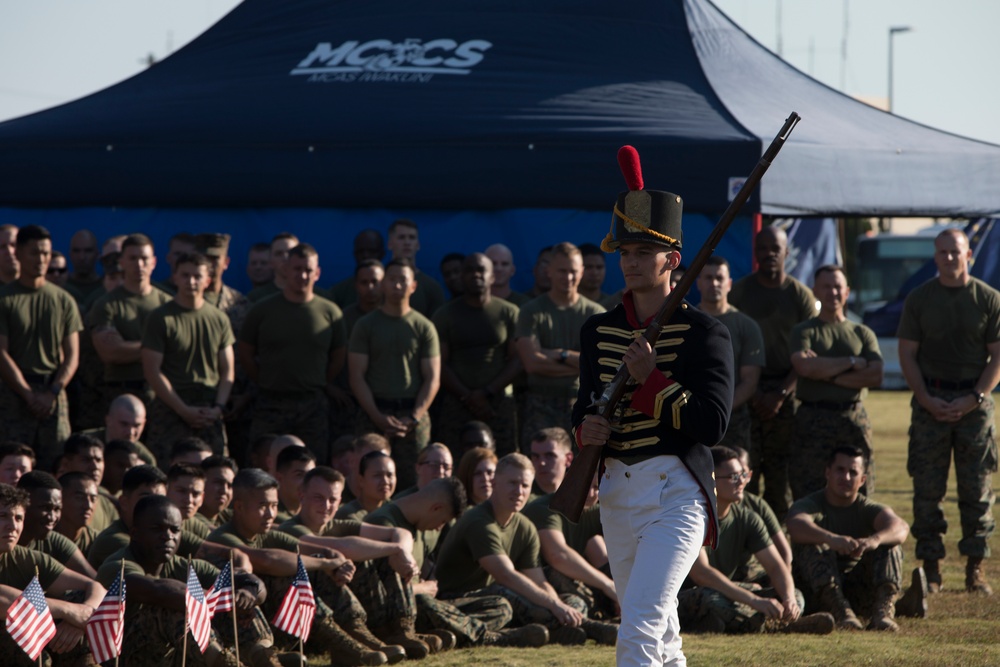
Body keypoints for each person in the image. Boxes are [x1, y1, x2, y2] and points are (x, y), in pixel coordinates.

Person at [574, 162, 733, 666]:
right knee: (660, 630)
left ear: (673, 260)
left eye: (645, 252)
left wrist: (652, 383)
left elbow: (713, 425)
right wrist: (585, 429)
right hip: (618, 491)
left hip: (676, 492)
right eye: (626, 252)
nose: (631, 262)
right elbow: (582, 406)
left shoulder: (708, 333)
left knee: (640, 620)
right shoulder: (597, 331)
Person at [205, 468, 399, 666]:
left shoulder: (263, 533)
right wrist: (325, 563)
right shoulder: (223, 538)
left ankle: (355, 638)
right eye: (262, 506)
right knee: (288, 576)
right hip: (237, 629)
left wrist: (337, 564)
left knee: (315, 567)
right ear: (239, 507)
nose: (271, 513)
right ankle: (342, 646)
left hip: (271, 621)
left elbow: (323, 551)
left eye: (274, 505)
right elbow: (269, 560)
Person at [897, 227, 1000, 596]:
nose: (949, 258)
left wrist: (974, 397)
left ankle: (976, 568)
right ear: (935, 256)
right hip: (931, 404)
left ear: (968, 254)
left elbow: (997, 356)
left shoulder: (988, 299)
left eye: (955, 252)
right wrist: (925, 398)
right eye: (942, 252)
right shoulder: (920, 299)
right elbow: (907, 352)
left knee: (977, 490)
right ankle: (932, 568)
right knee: (928, 491)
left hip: (974, 405)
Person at [95, 494, 285, 667]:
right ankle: (223, 662)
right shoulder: (118, 566)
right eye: (157, 529)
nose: (167, 536)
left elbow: (250, 583)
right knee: (176, 605)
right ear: (135, 533)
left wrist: (248, 593)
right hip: (126, 656)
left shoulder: (185, 565)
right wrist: (225, 598)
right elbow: (159, 590)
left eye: (174, 530)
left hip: (175, 654)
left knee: (243, 601)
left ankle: (263, 656)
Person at [435, 453, 589, 645]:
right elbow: (505, 575)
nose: (519, 491)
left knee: (572, 600)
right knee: (503, 602)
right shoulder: (479, 521)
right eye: (512, 483)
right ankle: (584, 627)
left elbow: (538, 580)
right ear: (495, 483)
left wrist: (560, 605)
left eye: (525, 486)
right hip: (457, 600)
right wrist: (555, 607)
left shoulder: (525, 527)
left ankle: (564, 626)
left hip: (493, 596)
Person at [677, 447, 833, 636]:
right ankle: (774, 625)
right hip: (692, 593)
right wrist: (753, 600)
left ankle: (746, 622)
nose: (742, 481)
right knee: (710, 599)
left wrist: (788, 599)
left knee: (795, 595)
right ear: (712, 481)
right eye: (733, 476)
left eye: (743, 474)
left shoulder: (747, 518)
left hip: (730, 591)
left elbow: (776, 567)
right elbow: (702, 574)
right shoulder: (693, 517)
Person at [786, 446, 928, 631]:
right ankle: (841, 612)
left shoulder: (866, 507)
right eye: (840, 470)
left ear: (862, 480)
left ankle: (883, 614)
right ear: (827, 472)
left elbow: (900, 527)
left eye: (852, 472)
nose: (845, 477)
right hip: (815, 592)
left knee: (890, 545)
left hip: (856, 590)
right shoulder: (811, 504)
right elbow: (795, 524)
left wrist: (874, 540)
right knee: (812, 545)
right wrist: (830, 539)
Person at [729, 225, 817, 520]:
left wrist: (780, 393)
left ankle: (779, 551)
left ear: (786, 253)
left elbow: (809, 352)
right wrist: (751, 391)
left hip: (785, 393)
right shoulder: (740, 293)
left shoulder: (800, 296)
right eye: (762, 248)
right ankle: (745, 551)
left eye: (775, 249)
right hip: (745, 394)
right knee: (744, 474)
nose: (768, 254)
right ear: (755, 253)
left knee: (781, 480)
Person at [240, 243, 346, 461]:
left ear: (317, 273)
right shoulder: (262, 309)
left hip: (312, 404)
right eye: (297, 269)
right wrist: (263, 380)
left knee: (312, 465)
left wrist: (320, 381)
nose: (302, 275)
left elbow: (338, 356)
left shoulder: (330, 312)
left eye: (308, 270)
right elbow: (245, 352)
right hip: (270, 401)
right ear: (285, 270)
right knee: (263, 463)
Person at [789, 265, 883, 499]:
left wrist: (824, 371)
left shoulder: (862, 333)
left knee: (858, 491)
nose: (833, 292)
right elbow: (804, 366)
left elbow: (875, 375)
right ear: (815, 291)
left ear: (847, 291)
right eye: (826, 287)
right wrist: (852, 361)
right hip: (812, 420)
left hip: (853, 419)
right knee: (808, 490)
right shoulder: (804, 331)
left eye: (838, 286)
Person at [349, 257, 441, 490]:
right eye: (391, 279)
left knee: (416, 480)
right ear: (383, 284)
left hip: (412, 416)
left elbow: (432, 378)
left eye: (403, 280)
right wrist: (377, 416)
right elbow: (356, 376)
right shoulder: (366, 325)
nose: (397, 285)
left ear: (413, 286)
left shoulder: (424, 327)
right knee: (369, 479)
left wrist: (414, 417)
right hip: (374, 413)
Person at [0, 225, 83, 471]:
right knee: (12, 465)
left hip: (53, 394)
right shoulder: (5, 299)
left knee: (57, 465)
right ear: (19, 253)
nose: (41, 259)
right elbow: (1, 354)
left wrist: (52, 392)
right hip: (13, 395)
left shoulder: (63, 300)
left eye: (46, 253)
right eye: (34, 253)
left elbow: (72, 356)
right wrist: (27, 394)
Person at [142, 252, 235, 461]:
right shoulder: (160, 318)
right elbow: (152, 370)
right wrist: (182, 409)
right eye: (185, 275)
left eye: (197, 276)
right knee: (167, 473)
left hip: (209, 409)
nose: (191, 282)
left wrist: (218, 408)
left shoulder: (219, 319)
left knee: (215, 473)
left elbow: (228, 370)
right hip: (172, 407)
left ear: (208, 280)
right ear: (175, 277)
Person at [0, 483, 106, 667]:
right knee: (19, 624)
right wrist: (70, 611)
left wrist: (82, 616)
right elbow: (8, 602)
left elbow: (96, 587)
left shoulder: (23, 557)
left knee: (80, 598)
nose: (12, 526)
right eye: (2, 516)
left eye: (18, 518)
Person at [432, 253, 521, 455]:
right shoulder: (445, 314)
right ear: (462, 277)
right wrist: (468, 397)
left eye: (481, 270)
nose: (475, 275)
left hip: (498, 402)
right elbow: (439, 363)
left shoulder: (509, 312)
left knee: (505, 459)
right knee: (455, 462)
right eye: (469, 270)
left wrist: (487, 392)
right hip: (457, 402)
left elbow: (517, 360)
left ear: (492, 276)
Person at [516, 241, 604, 444]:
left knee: (581, 470)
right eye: (562, 271)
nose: (568, 277)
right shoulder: (531, 311)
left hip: (581, 403)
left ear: (581, 272)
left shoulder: (595, 314)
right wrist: (580, 364)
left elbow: (597, 366)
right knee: (539, 467)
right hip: (540, 402)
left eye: (573, 271)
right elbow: (531, 363)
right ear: (549, 272)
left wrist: (559, 354)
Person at [90, 233, 172, 408]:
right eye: (133, 258)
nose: (139, 265)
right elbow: (110, 353)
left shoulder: (168, 304)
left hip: (162, 392)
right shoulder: (106, 304)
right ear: (122, 262)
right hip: (121, 390)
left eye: (144, 258)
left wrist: (127, 347)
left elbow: (178, 350)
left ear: (154, 262)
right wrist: (159, 347)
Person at [696, 255, 765, 451]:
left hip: (733, 422)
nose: (714, 283)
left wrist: (718, 410)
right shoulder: (686, 323)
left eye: (719, 278)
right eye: (708, 278)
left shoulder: (747, 326)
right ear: (699, 283)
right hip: (691, 419)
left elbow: (750, 382)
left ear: (729, 284)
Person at [16, 470, 97, 577]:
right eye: (45, 508)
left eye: (57, 509)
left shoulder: (54, 541)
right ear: (22, 505)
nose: (52, 517)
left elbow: (94, 581)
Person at [384, 219, 445, 317]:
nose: (407, 242)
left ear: (418, 245)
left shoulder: (431, 287)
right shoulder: (378, 282)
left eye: (412, 238)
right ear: (390, 244)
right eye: (401, 237)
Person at [328, 229, 386, 308]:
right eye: (361, 251)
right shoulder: (340, 292)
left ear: (382, 254)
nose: (366, 255)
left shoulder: (395, 289)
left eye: (371, 251)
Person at [55, 470, 100, 555]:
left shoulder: (98, 541)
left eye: (93, 499)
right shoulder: (42, 538)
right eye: (79, 498)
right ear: (60, 499)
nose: (88, 506)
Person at [246, 232, 299, 303]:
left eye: (290, 252)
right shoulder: (254, 298)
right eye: (279, 254)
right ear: (270, 261)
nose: (285, 258)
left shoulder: (316, 296)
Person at [197, 454, 237, 527]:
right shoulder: (187, 520)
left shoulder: (233, 518)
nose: (224, 491)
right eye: (218, 483)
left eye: (230, 486)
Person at [578, 242, 619, 309]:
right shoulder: (566, 303)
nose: (595, 273)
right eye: (588, 267)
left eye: (599, 267)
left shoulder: (614, 306)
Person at [67, 229, 103, 301]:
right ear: (70, 255)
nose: (82, 257)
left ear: (97, 254)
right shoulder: (62, 288)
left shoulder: (106, 288)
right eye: (76, 251)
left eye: (88, 251)